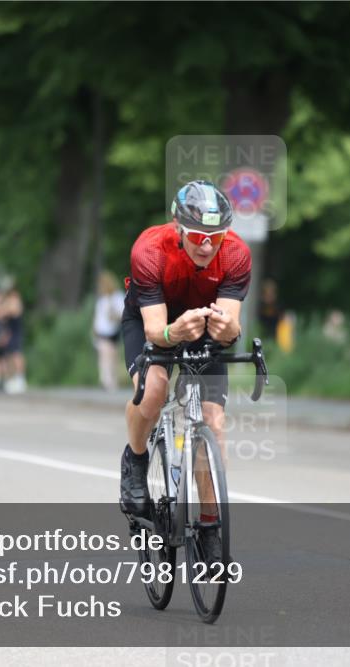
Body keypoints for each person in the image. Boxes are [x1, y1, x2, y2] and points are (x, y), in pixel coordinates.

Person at [119, 180, 250, 561]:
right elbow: (154, 330)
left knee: (214, 420)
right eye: (196, 235)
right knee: (155, 389)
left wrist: (229, 331)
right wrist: (172, 333)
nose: (207, 245)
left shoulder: (237, 254)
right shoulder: (150, 249)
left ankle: (209, 528)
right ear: (178, 228)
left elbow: (229, 324)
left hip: (203, 325)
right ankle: (136, 458)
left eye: (216, 236)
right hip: (154, 320)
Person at [0, 276, 27, 394]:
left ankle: (20, 379)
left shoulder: (15, 300)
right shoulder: (8, 301)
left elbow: (10, 311)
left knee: (16, 354)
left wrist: (2, 308)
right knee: (8, 357)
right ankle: (10, 380)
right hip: (9, 333)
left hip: (16, 331)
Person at [93, 271, 126, 391]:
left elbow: (123, 314)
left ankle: (112, 379)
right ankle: (106, 380)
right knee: (105, 355)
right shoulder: (102, 300)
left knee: (113, 356)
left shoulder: (117, 297)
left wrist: (115, 316)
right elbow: (98, 318)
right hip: (102, 332)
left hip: (114, 331)